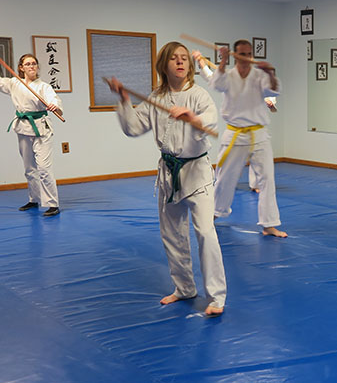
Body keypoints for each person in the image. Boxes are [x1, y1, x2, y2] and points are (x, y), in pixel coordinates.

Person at [107, 41, 227, 316]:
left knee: (206, 232)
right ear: (164, 64)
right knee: (172, 235)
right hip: (169, 174)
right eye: (174, 58)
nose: (181, 62)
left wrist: (191, 117)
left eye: (184, 58)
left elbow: (210, 121)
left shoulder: (198, 95)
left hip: (197, 172)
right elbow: (133, 127)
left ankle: (217, 297)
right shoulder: (156, 97)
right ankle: (184, 288)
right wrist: (123, 99)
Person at [209, 39, 287, 237]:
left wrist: (270, 73)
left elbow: (273, 91)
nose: (246, 57)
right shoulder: (228, 75)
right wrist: (223, 61)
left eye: (249, 54)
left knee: (267, 179)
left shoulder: (259, 75)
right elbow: (216, 84)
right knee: (224, 178)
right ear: (235, 55)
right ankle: (214, 213)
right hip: (234, 133)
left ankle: (269, 225)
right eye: (242, 54)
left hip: (258, 134)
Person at [0, 46, 63, 217]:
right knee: (29, 168)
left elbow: (53, 100)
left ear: (37, 67)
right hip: (23, 127)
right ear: (21, 68)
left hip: (41, 128)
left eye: (34, 64)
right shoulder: (14, 83)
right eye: (28, 64)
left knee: (44, 168)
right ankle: (34, 199)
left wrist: (53, 105)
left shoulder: (44, 87)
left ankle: (52, 204)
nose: (31, 66)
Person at [193, 52, 277, 195]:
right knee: (226, 159)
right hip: (235, 130)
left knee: (259, 160)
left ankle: (257, 184)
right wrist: (201, 62)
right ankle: (222, 182)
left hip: (256, 130)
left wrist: (270, 104)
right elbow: (211, 77)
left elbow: (273, 108)